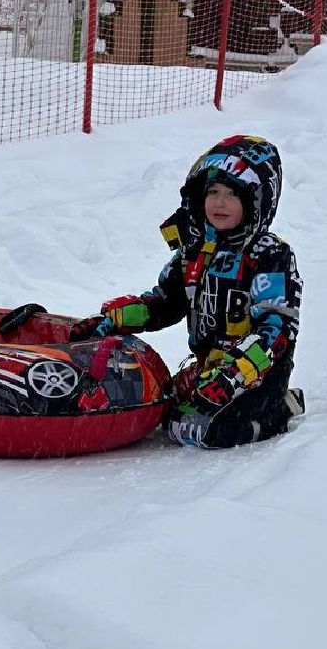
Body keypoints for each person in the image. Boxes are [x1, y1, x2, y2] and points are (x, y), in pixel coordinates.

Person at [70, 134, 303, 449]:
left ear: (257, 201)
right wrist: (112, 321)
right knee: (157, 408)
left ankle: (281, 407)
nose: (219, 202)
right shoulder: (195, 252)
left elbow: (276, 328)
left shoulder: (269, 256)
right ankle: (203, 386)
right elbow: (164, 303)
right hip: (211, 367)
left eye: (233, 194)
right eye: (213, 192)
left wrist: (237, 373)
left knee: (211, 432)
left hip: (259, 372)